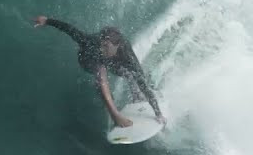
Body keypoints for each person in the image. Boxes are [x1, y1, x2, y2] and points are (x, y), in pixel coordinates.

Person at [33, 15, 165, 128]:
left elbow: (142, 82)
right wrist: (47, 21)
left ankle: (135, 94)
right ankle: (116, 116)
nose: (102, 49)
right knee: (101, 72)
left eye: (106, 46)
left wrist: (158, 114)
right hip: (87, 59)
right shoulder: (90, 42)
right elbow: (69, 29)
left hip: (110, 61)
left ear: (117, 45)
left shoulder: (127, 54)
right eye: (102, 44)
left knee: (133, 73)